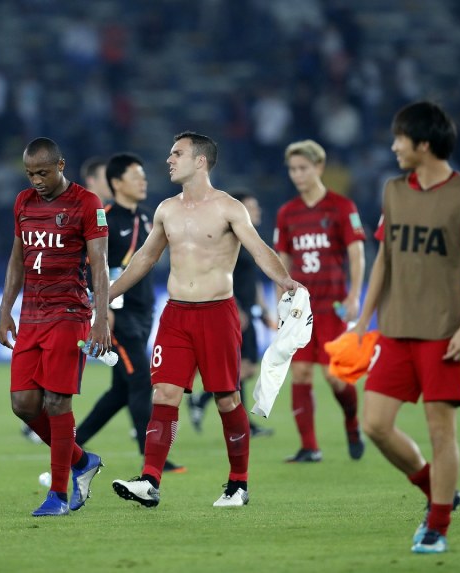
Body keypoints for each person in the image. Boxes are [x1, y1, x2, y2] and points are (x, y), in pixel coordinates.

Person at [109, 131, 303, 508]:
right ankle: (150, 480)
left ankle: (238, 485)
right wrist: (106, 295)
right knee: (163, 393)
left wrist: (285, 281)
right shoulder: (166, 209)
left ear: (200, 161)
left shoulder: (229, 208)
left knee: (227, 399)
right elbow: (145, 260)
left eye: (177, 153)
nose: (168, 159)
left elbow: (259, 249)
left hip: (217, 314)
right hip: (177, 315)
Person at [352, 101, 460, 554]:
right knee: (374, 424)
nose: (394, 146)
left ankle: (437, 525)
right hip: (396, 328)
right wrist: (362, 320)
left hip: (443, 331)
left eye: (400, 138)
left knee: (441, 431)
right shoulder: (394, 191)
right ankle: (437, 489)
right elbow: (383, 261)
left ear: (424, 144)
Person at [0, 137, 110, 517]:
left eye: (43, 172)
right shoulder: (23, 203)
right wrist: (4, 309)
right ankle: (81, 460)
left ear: (61, 165)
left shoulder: (87, 204)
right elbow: (17, 259)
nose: (36, 181)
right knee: (23, 404)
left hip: (69, 313)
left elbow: (99, 265)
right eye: (30, 174)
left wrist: (101, 318)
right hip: (31, 315)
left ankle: (59, 495)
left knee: (57, 402)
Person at [75, 152, 184, 474]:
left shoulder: (149, 218)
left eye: (144, 177)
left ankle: (71, 443)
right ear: (118, 182)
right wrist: (102, 309)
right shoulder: (104, 217)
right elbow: (87, 264)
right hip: (118, 315)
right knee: (140, 380)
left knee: (121, 390)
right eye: (136, 177)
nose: (143, 181)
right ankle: (152, 457)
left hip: (144, 310)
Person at [274, 139, 366, 463]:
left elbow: (356, 253)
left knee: (334, 377)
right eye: (292, 169)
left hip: (333, 305)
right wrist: (280, 305)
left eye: (303, 168)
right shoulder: (287, 213)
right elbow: (281, 261)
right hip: (301, 307)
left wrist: (355, 294)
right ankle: (309, 446)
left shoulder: (341, 207)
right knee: (299, 373)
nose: (297, 175)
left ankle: (352, 424)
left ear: (319, 167)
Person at [187, 192, 275, 438]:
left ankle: (202, 401)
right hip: (234, 310)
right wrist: (233, 304)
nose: (256, 210)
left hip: (249, 310)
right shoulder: (229, 239)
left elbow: (253, 280)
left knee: (245, 368)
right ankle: (243, 424)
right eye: (251, 206)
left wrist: (265, 310)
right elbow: (218, 273)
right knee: (238, 366)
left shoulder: (250, 238)